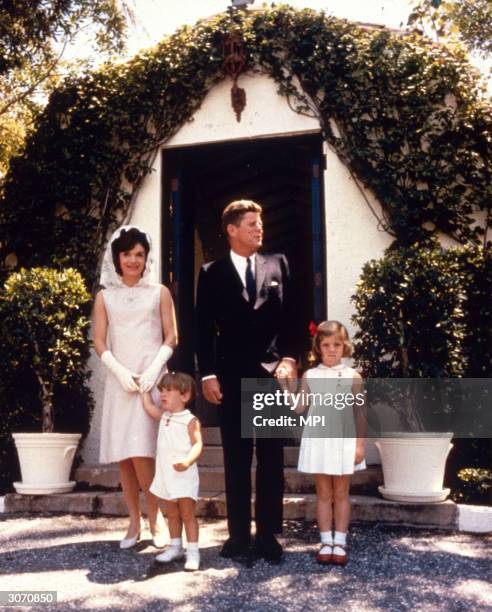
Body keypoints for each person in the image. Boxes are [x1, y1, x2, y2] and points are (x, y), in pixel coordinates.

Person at [195, 199, 299, 563]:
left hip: (270, 376)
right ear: (232, 230)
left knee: (270, 458)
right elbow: (202, 327)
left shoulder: (278, 265)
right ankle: (238, 535)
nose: (259, 229)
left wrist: (289, 358)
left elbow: (294, 317)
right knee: (237, 459)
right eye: (251, 224)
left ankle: (269, 535)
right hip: (230, 376)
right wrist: (207, 373)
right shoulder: (211, 272)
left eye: (260, 223)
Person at [93, 225, 177, 549]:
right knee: (125, 457)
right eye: (127, 254)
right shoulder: (105, 297)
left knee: (145, 453)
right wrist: (119, 371)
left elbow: (172, 335)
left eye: (138, 254)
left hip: (151, 382)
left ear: (146, 257)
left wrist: (154, 369)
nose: (132, 260)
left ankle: (156, 518)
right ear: (117, 257)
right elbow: (100, 343)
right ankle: (133, 520)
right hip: (120, 383)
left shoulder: (159, 292)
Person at [296, 321, 366, 566]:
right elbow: (299, 407)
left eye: (337, 344)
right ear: (318, 347)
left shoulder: (352, 376)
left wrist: (360, 445)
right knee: (323, 493)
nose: (332, 349)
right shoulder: (310, 375)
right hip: (319, 440)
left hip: (344, 440)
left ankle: (340, 542)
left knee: (341, 493)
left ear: (344, 346)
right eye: (326, 345)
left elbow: (360, 414)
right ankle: (325, 540)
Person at [142, 371, 202, 571]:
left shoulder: (190, 420)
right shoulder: (164, 416)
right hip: (167, 476)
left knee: (187, 513)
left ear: (184, 396)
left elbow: (198, 445)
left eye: (169, 391)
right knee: (172, 513)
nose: (162, 395)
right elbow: (150, 407)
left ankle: (193, 551)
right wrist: (143, 390)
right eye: (161, 391)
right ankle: (175, 546)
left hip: (184, 476)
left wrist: (187, 461)